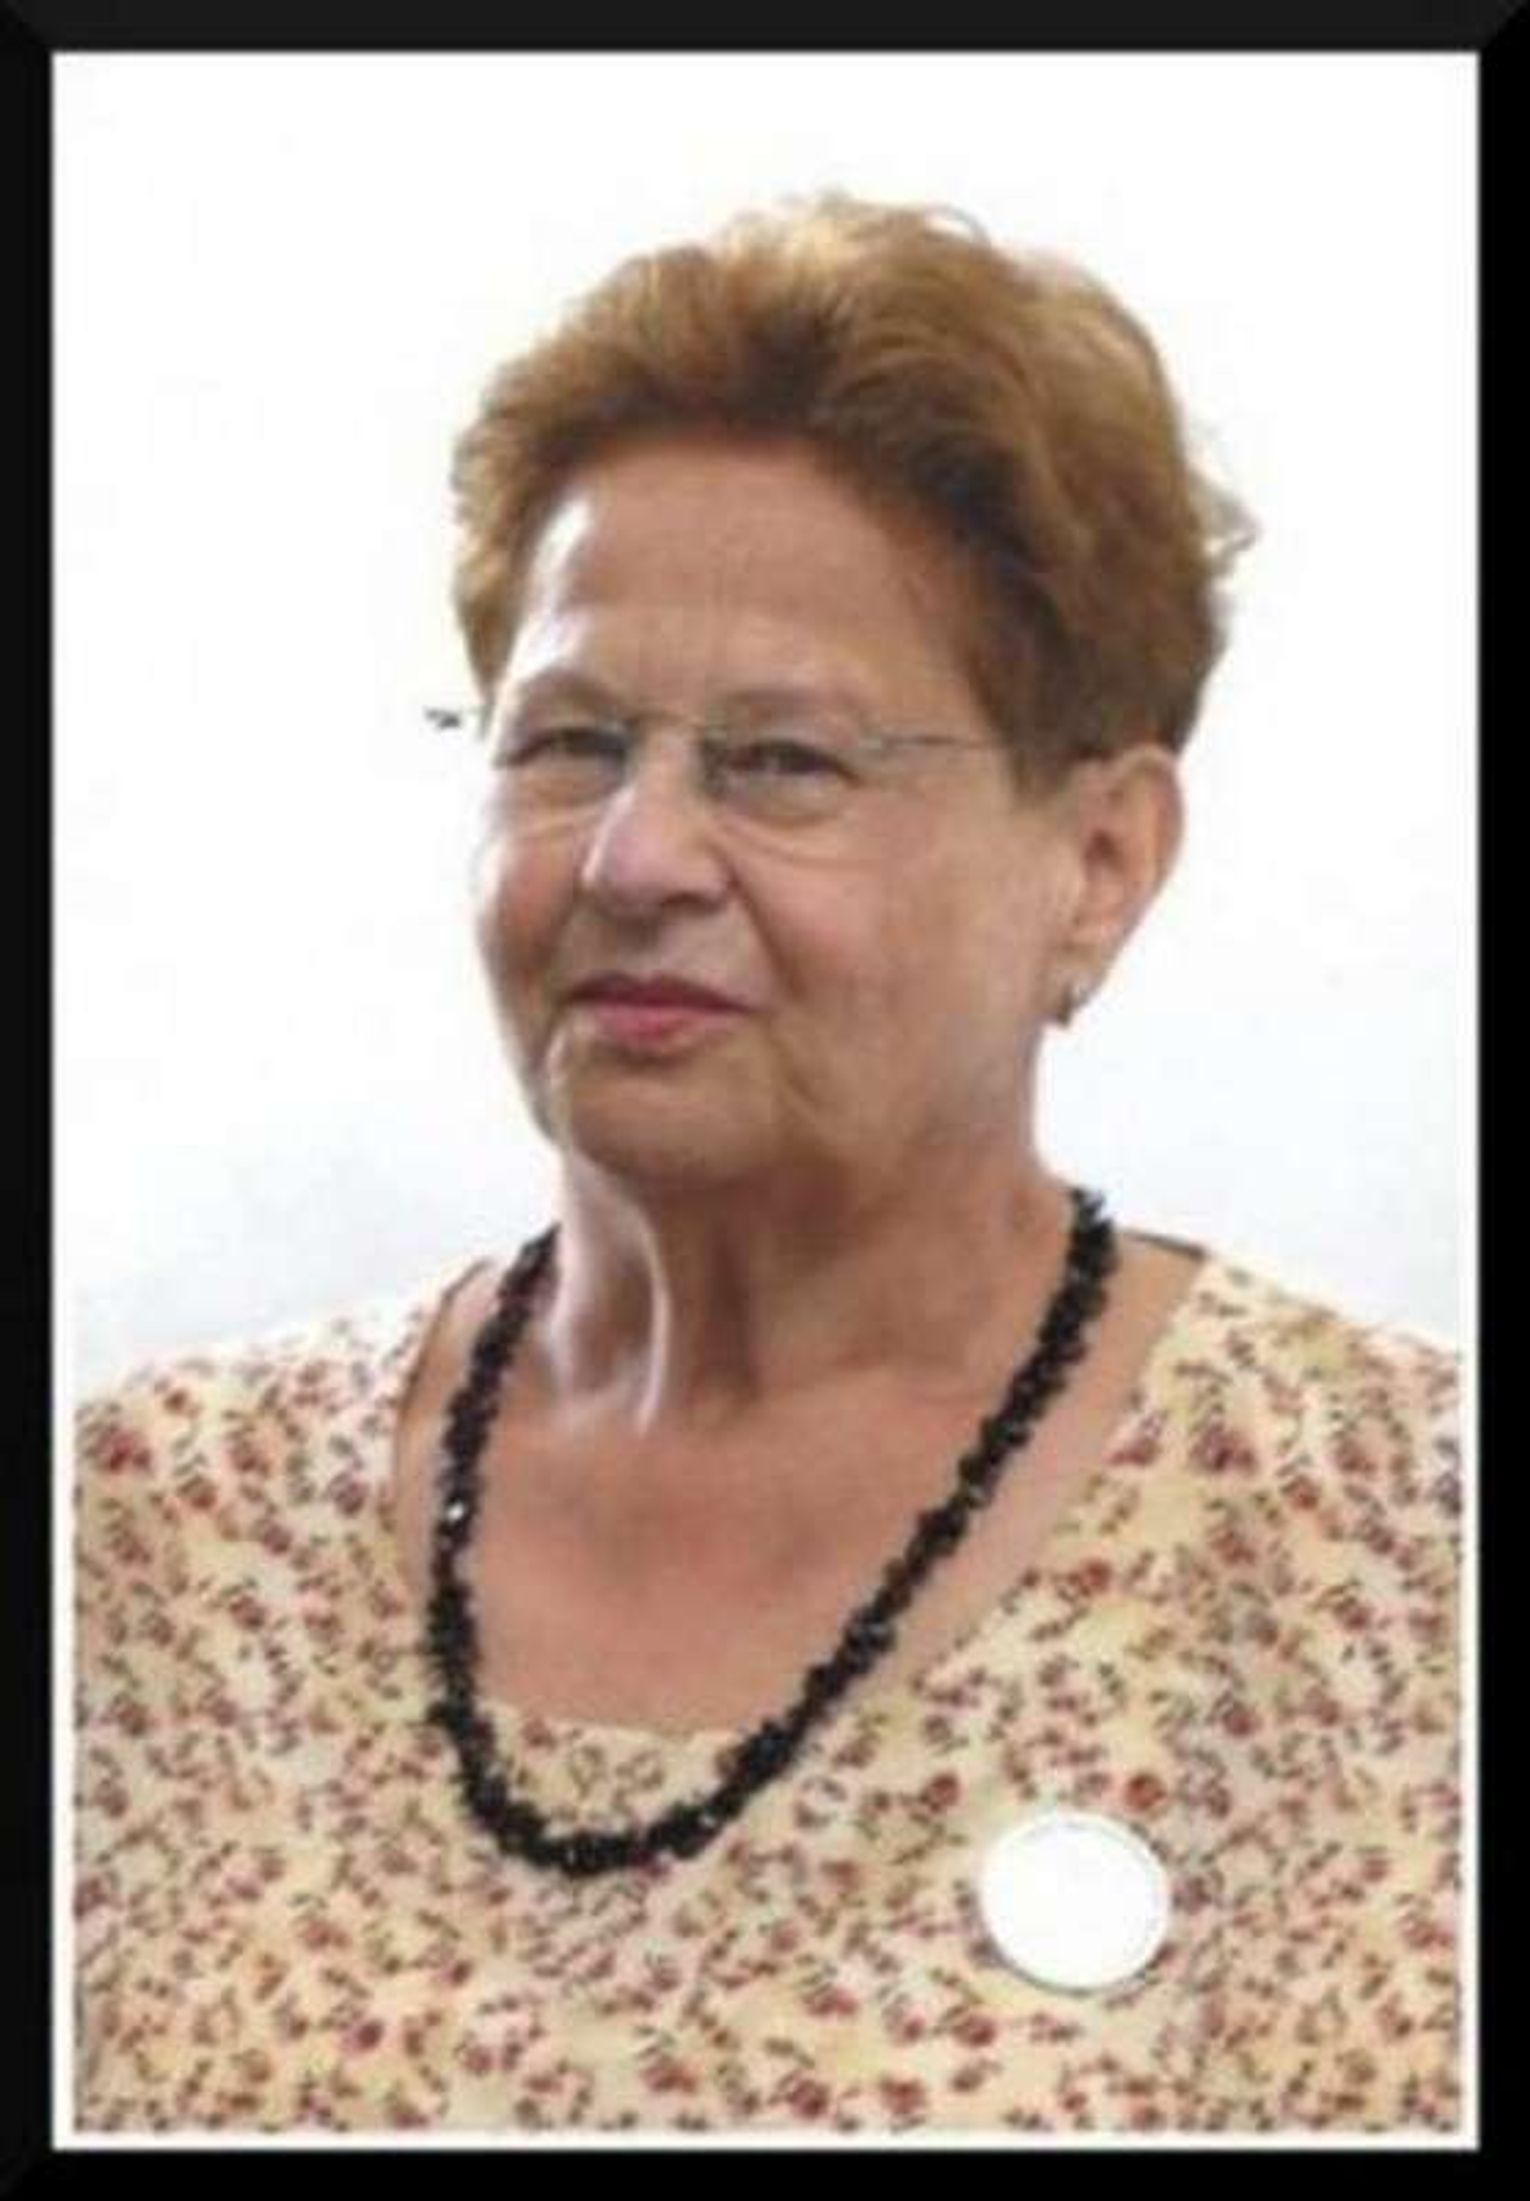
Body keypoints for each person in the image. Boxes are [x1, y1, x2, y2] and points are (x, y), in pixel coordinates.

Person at [73, 191, 1461, 2135]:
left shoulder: (1398, 1547)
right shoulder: (144, 1539)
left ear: (1097, 863)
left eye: (781, 761)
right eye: (567, 744)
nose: (635, 858)